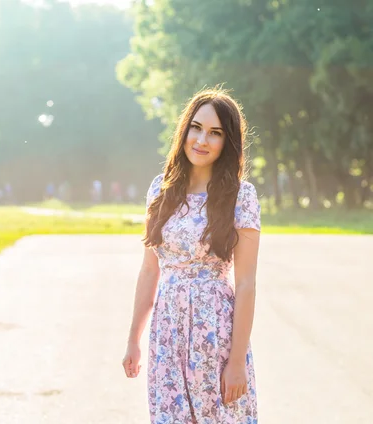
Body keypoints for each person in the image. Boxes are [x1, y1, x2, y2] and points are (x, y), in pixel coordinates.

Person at [122, 88, 261, 423]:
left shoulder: (241, 196)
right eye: (196, 128)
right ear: (184, 130)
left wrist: (237, 362)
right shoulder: (160, 189)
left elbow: (245, 284)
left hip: (215, 334)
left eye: (215, 133)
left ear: (228, 142)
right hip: (166, 334)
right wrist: (134, 341)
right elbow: (149, 271)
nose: (202, 140)